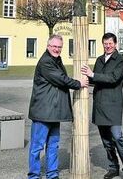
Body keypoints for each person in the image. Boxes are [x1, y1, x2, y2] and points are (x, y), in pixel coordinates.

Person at [28, 35, 88, 179]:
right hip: (42, 112)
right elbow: (60, 79)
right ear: (48, 46)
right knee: (37, 147)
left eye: (59, 47)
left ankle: (52, 174)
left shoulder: (56, 60)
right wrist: (78, 83)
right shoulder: (46, 62)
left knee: (53, 145)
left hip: (53, 111)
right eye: (54, 46)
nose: (56, 49)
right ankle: (33, 175)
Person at [81, 33, 123, 179]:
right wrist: (83, 81)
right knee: (106, 141)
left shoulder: (122, 61)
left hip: (113, 105)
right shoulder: (99, 60)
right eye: (105, 43)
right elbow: (97, 80)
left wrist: (92, 75)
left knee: (117, 138)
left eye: (110, 43)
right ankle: (113, 167)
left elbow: (113, 79)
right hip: (99, 104)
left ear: (115, 44)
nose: (108, 46)